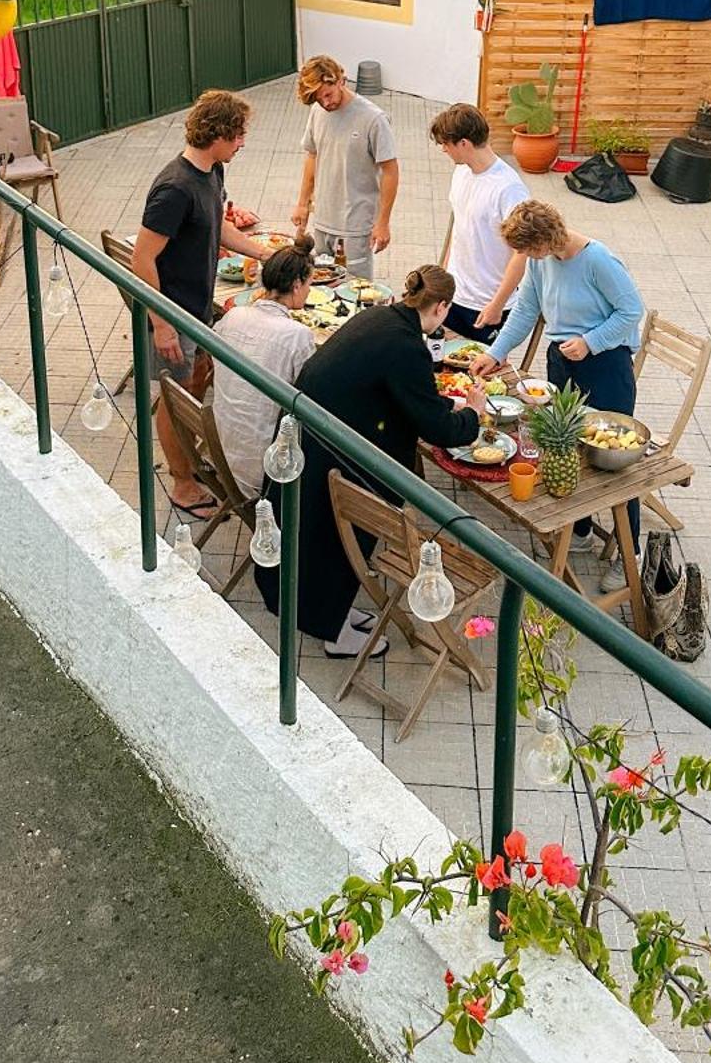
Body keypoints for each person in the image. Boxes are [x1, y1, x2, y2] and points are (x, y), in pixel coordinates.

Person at [253, 265, 488, 657]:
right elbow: (437, 428)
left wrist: (448, 406)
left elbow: (400, 393)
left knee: (311, 533)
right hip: (332, 449)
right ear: (442, 306)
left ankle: (325, 612)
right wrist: (472, 416)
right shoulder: (408, 345)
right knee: (333, 538)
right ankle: (331, 629)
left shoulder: (379, 316)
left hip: (308, 429)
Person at [474, 200, 645, 546]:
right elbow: (525, 309)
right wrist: (496, 352)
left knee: (611, 460)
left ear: (546, 239)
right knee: (566, 446)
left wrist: (590, 342)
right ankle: (579, 531)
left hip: (605, 365)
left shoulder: (598, 261)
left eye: (528, 249)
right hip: (562, 361)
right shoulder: (540, 261)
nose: (526, 257)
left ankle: (631, 549)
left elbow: (631, 311)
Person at [132, 90, 269, 517]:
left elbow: (221, 230)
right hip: (171, 314)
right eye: (239, 134)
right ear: (219, 134)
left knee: (193, 391)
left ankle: (188, 463)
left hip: (197, 309)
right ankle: (182, 485)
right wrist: (161, 323)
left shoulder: (213, 171)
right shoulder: (175, 188)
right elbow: (142, 258)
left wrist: (266, 254)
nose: (243, 142)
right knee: (175, 404)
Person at [211, 235, 318, 499]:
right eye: (309, 284)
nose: (308, 291)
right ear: (296, 285)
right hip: (264, 469)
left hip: (220, 451)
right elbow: (310, 399)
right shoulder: (297, 335)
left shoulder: (233, 315)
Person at [290, 54, 398, 280]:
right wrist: (302, 203)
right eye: (319, 99)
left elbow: (390, 171)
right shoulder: (318, 112)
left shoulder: (373, 118)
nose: (326, 103)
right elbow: (313, 155)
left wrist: (383, 222)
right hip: (322, 221)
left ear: (341, 80)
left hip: (356, 227)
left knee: (355, 290)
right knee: (322, 285)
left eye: (328, 95)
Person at [430, 102, 527, 344]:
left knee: (478, 375)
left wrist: (497, 305)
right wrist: (442, 282)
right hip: (454, 296)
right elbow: (459, 229)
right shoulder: (461, 172)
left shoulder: (509, 188)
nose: (443, 150)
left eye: (446, 143)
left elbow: (521, 254)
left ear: (464, 143)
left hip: (487, 306)